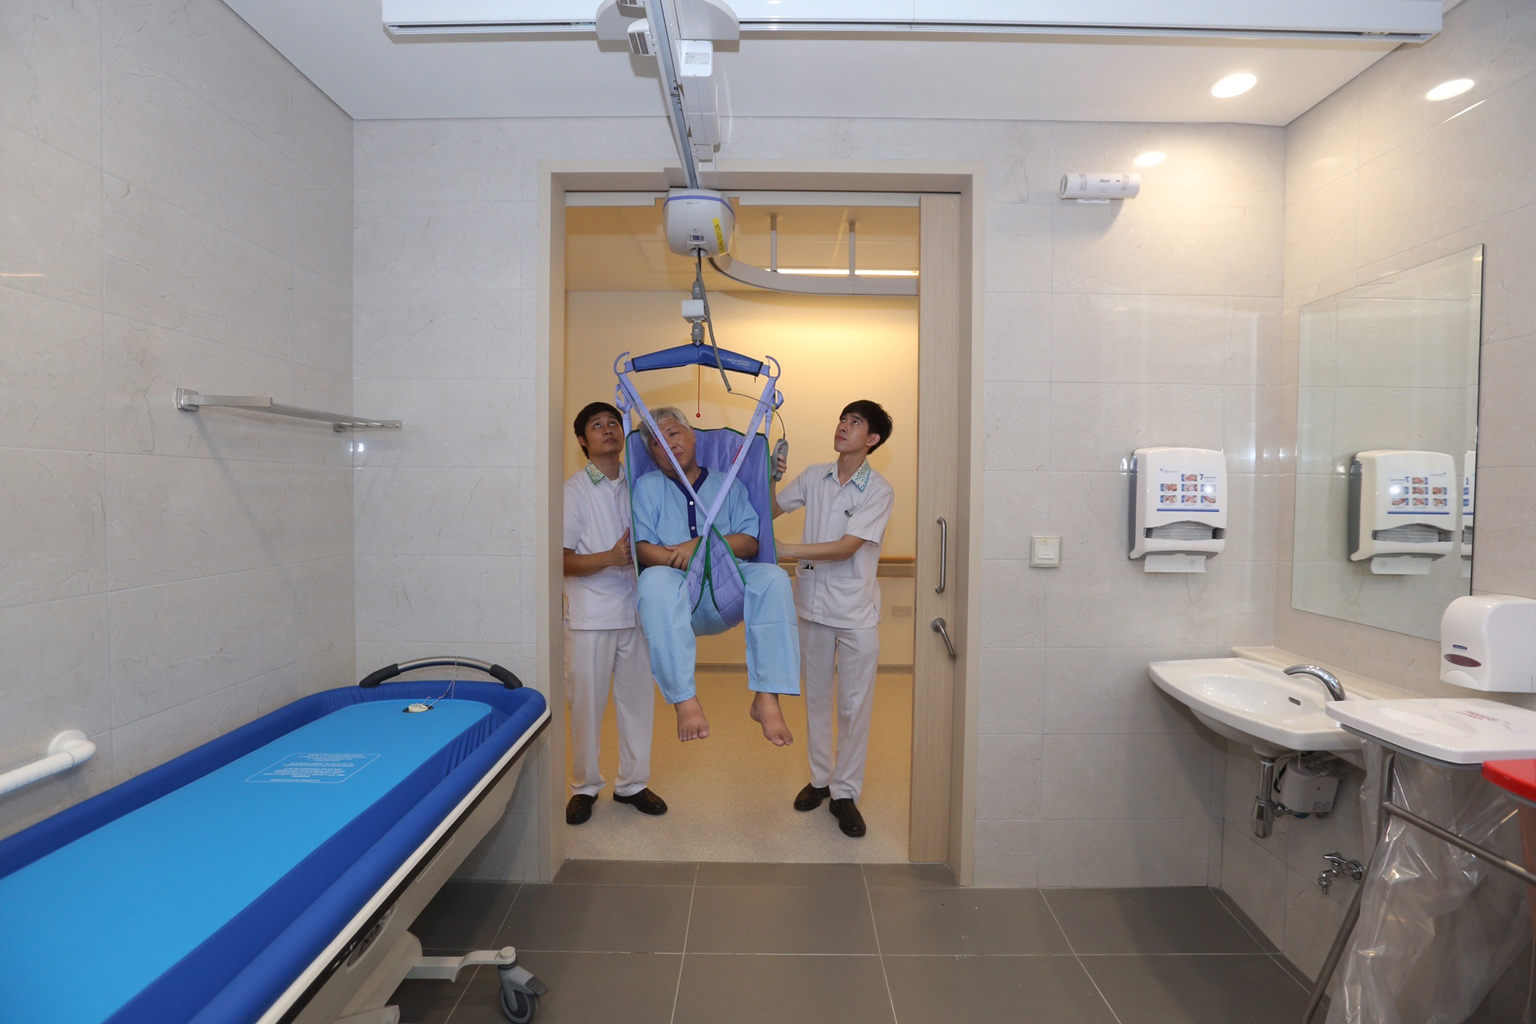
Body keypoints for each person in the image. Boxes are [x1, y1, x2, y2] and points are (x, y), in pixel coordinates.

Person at [631, 406, 801, 746]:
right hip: (678, 591)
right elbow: (643, 548)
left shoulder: (728, 484)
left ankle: (767, 697)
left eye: (674, 434)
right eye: (656, 442)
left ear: (692, 435)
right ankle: (684, 699)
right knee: (651, 582)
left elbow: (750, 542)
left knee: (773, 579)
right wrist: (674, 558)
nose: (668, 445)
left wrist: (700, 546)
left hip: (729, 590)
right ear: (651, 455)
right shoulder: (647, 487)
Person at [773, 401, 896, 838]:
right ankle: (820, 779)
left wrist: (788, 550)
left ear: (873, 439)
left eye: (855, 423)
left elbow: (846, 547)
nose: (844, 426)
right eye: (842, 419)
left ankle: (845, 793)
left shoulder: (878, 490)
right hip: (812, 605)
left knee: (854, 705)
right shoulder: (813, 476)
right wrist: (768, 476)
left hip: (856, 612)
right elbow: (767, 511)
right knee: (818, 700)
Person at [562, 401, 667, 825]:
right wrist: (608, 557)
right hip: (590, 616)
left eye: (613, 423)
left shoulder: (640, 483)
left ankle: (633, 785)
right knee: (585, 707)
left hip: (637, 613)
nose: (607, 429)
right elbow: (560, 560)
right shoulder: (573, 490)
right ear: (583, 441)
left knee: (638, 704)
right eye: (596, 425)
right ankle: (585, 787)